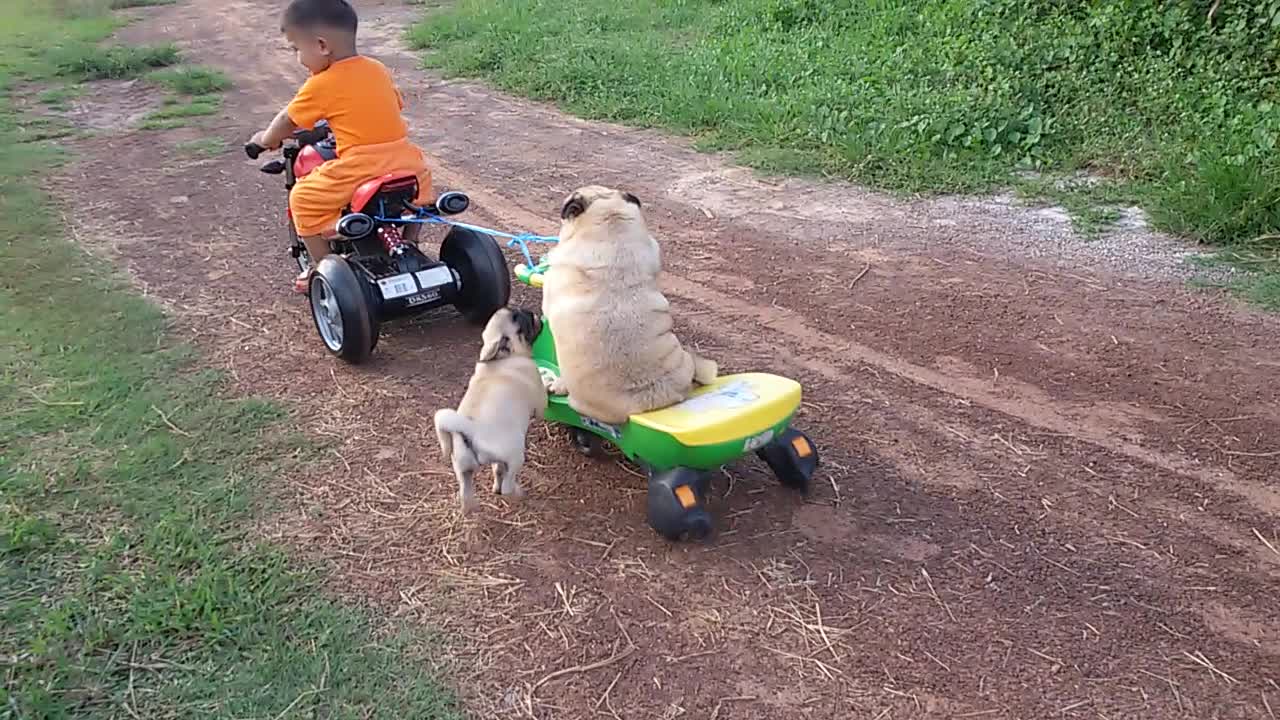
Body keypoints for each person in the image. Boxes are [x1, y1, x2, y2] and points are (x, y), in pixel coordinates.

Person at [248, 0, 434, 294]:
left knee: (302, 198)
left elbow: (288, 119)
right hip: (407, 163)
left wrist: (266, 139)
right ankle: (410, 240)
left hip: (359, 167)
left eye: (296, 49)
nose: (297, 57)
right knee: (418, 203)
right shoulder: (377, 68)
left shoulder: (321, 83)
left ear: (321, 45)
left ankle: (324, 270)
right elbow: (397, 101)